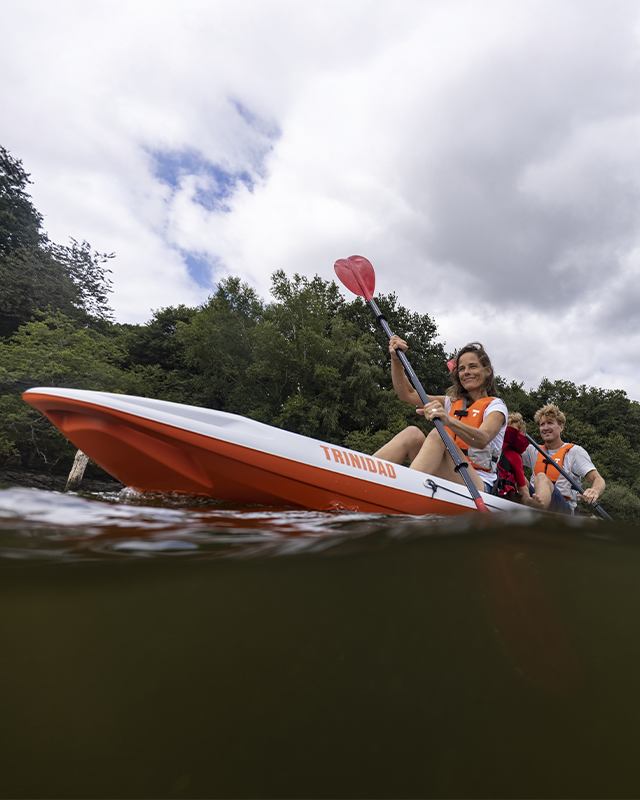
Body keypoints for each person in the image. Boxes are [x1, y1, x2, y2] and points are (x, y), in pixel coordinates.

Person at [374, 339, 507, 493]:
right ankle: (364, 474)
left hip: (479, 484)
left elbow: (483, 438)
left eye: (473, 366)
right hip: (448, 474)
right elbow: (407, 394)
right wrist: (396, 360)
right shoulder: (452, 403)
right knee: (412, 433)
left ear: (487, 371)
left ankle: (404, 491)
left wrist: (447, 419)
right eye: (462, 369)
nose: (466, 372)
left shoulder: (496, 406)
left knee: (439, 435)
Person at [521, 404, 606, 514]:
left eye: (550, 423)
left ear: (561, 427)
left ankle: (536, 515)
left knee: (541, 477)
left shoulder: (574, 452)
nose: (545, 428)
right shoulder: (533, 450)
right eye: (542, 424)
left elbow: (598, 480)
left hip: (563, 507)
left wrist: (595, 490)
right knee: (516, 475)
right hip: (533, 497)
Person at [492, 413, 544, 508]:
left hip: (485, 489)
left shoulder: (488, 446)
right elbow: (523, 491)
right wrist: (531, 502)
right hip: (504, 498)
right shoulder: (515, 456)